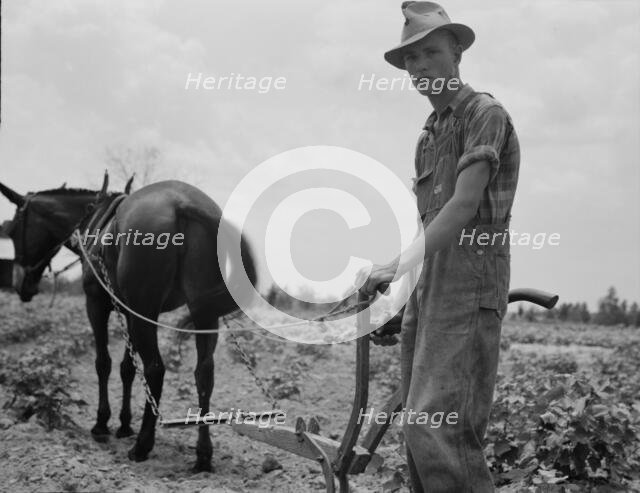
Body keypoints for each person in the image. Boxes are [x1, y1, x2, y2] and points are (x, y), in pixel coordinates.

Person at [356, 2, 520, 491]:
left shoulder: (483, 114)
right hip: (432, 285)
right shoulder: (429, 134)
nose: (420, 65)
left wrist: (392, 265)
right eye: (410, 58)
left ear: (457, 52)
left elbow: (462, 207)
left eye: (430, 52)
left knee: (439, 427)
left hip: (470, 283)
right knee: (417, 431)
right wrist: (402, 292)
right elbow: (426, 224)